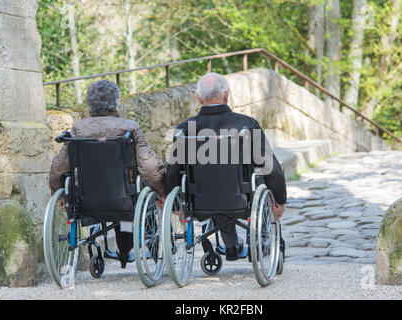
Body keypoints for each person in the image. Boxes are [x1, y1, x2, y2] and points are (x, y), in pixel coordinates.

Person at [166, 72, 286, 261]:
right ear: (226, 95)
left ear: (198, 98)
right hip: (241, 199)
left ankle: (231, 246)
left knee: (214, 185)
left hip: (200, 202)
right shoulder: (245, 124)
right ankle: (257, 240)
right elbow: (270, 166)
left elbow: (172, 172)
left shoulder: (185, 130)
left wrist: (174, 206)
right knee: (253, 179)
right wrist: (279, 198)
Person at [49, 80, 166, 267]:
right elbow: (149, 167)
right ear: (116, 101)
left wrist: (59, 193)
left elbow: (58, 167)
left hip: (87, 200)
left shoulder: (79, 129)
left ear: (89, 103)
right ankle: (134, 249)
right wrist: (161, 191)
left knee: (121, 192)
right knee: (139, 193)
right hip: (124, 198)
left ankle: (113, 249)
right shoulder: (129, 127)